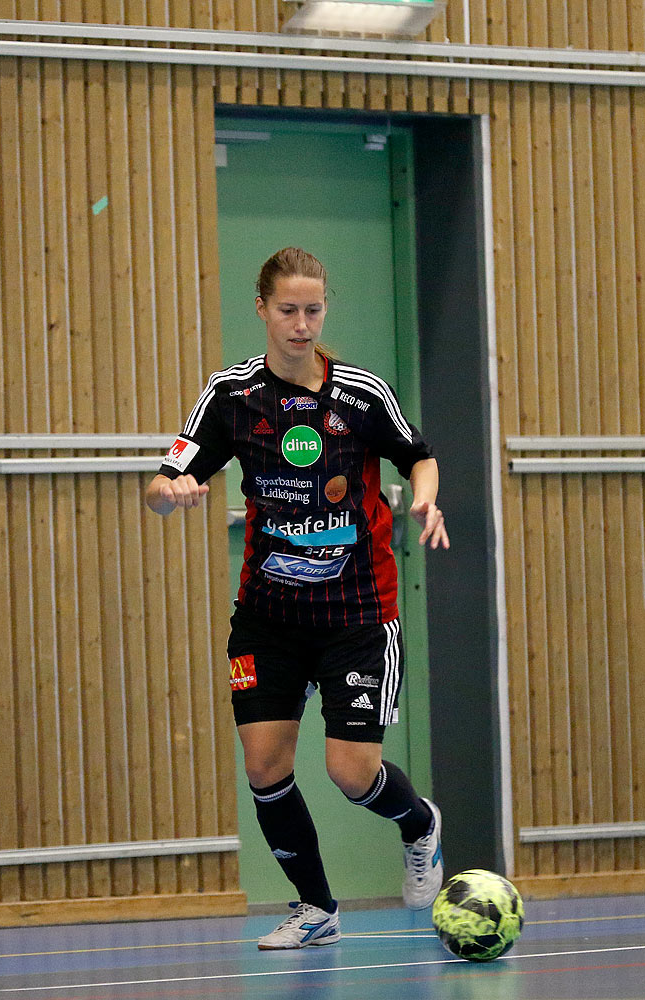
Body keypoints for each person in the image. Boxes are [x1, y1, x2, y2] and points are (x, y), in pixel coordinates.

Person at [145, 247, 450, 948]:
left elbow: (418, 456)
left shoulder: (361, 395)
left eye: (314, 310)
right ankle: (316, 906)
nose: (303, 324)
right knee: (264, 765)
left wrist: (425, 502)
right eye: (289, 310)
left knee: (350, 771)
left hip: (357, 615)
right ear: (261, 309)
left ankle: (419, 824)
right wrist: (174, 494)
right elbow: (163, 483)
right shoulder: (231, 397)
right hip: (269, 618)